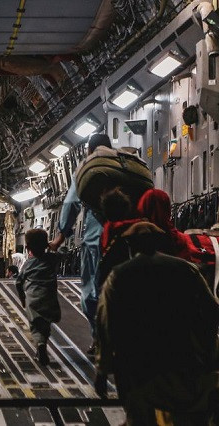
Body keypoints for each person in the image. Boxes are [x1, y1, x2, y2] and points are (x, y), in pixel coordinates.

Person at [95, 221, 219, 425]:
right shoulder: (186, 270)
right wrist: (206, 351)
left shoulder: (119, 275)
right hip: (183, 358)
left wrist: (102, 369)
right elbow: (210, 311)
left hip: (137, 365)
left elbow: (106, 323)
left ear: (130, 245)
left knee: (140, 418)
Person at [49, 133, 112, 354]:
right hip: (132, 235)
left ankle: (99, 338)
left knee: (91, 292)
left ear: (89, 150)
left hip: (97, 240)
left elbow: (71, 203)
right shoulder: (126, 164)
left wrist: (60, 237)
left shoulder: (87, 168)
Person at [16, 228, 61, 366]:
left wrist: (23, 298)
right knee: (45, 324)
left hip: (33, 298)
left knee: (36, 326)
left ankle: (40, 345)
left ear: (28, 248)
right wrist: (52, 246)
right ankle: (43, 344)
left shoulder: (28, 264)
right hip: (49, 297)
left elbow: (19, 282)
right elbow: (64, 254)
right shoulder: (52, 259)